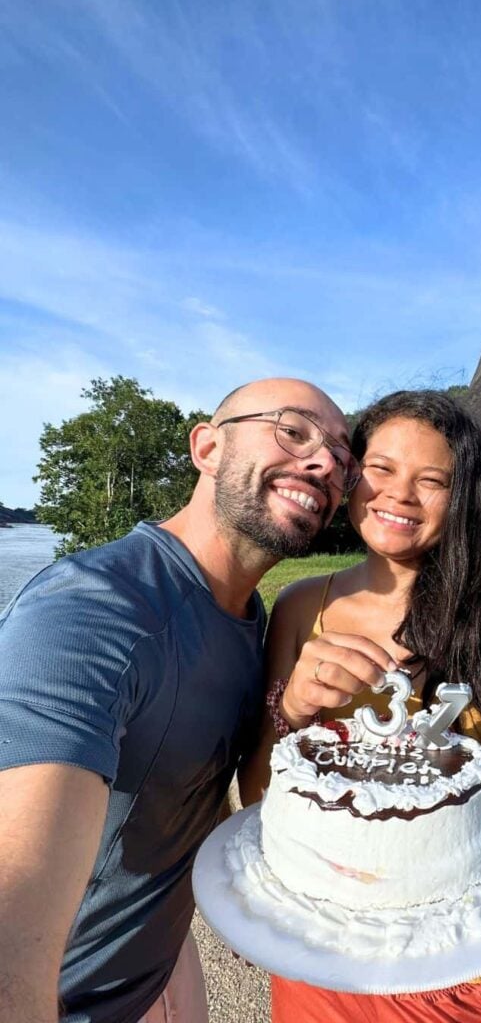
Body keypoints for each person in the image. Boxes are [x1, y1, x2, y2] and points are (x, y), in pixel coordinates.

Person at [0, 378, 378, 1023]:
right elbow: (12, 914)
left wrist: (240, 897)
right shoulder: (91, 612)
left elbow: (190, 785)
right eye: (293, 431)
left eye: (343, 456)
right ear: (207, 447)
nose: (324, 462)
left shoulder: (247, 617)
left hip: (157, 965)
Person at [240, 389, 481, 1023]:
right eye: (381, 469)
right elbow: (260, 790)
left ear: (464, 497)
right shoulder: (301, 607)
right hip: (332, 949)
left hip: (471, 950)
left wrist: (436, 858)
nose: (399, 494)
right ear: (350, 477)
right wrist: (295, 707)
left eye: (432, 481)